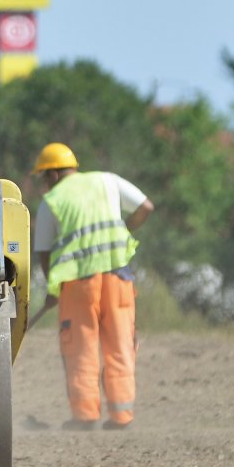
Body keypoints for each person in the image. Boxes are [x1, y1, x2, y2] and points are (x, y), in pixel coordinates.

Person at [30, 142, 154, 430]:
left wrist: (53, 289)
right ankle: (121, 415)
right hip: (117, 276)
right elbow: (146, 207)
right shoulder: (107, 181)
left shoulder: (53, 201)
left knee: (80, 348)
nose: (45, 184)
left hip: (78, 284)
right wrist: (124, 229)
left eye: (45, 177)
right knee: (121, 344)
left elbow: (44, 252)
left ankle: (84, 416)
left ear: (53, 174)